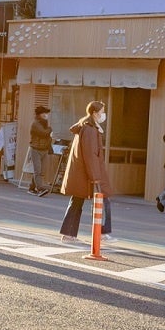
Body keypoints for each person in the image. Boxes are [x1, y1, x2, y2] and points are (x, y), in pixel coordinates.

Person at [58, 101, 113, 243]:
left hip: (81, 173)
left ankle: (68, 234)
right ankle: (101, 232)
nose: (103, 115)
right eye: (101, 112)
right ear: (94, 113)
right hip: (88, 174)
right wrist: (95, 177)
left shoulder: (88, 126)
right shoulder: (89, 129)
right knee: (103, 199)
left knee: (77, 202)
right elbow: (91, 154)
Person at [26, 106, 53, 195]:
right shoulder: (36, 124)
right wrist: (50, 129)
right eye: (44, 113)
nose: (46, 115)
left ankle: (31, 188)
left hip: (44, 149)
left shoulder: (44, 123)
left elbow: (47, 137)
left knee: (41, 170)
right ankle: (40, 189)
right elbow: (44, 133)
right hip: (36, 149)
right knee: (38, 170)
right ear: (39, 114)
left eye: (46, 113)